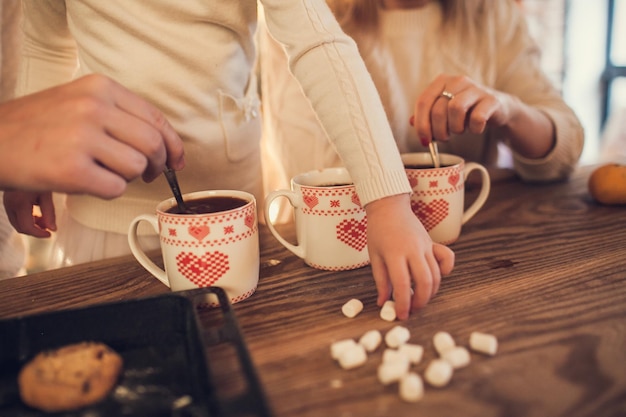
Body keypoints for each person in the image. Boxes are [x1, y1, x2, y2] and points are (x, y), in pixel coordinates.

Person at [6, 1, 455, 320]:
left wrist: (387, 202)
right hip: (102, 223)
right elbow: (45, 44)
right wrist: (30, 160)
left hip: (233, 226)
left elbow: (318, 43)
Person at [260, 0, 585, 211]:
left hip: (470, 239)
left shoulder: (492, 14)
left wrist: (508, 109)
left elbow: (564, 152)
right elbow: (321, 184)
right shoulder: (302, 19)